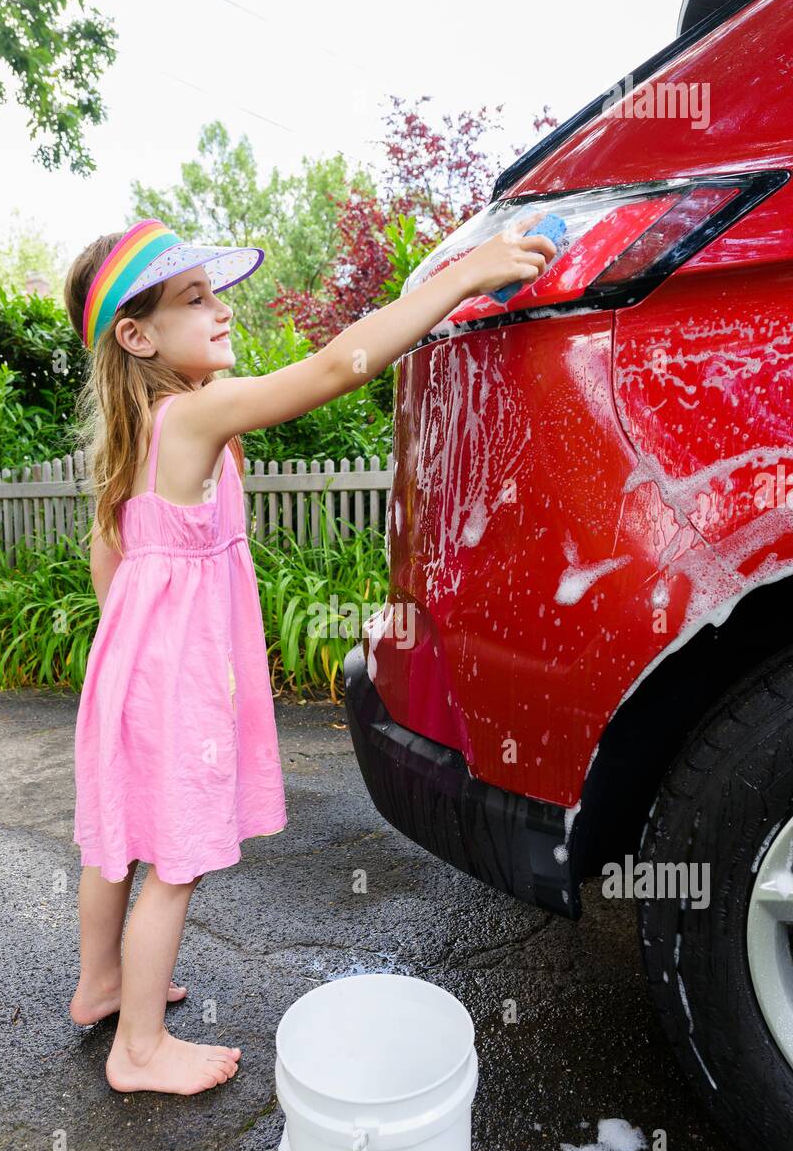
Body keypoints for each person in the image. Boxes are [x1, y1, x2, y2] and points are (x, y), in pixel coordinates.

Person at [62, 212, 555, 1096]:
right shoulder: (197, 414)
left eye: (217, 293)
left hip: (128, 676)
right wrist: (458, 279)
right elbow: (337, 366)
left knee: (120, 845)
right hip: (170, 684)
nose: (221, 312)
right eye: (194, 298)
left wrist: (137, 664)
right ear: (137, 336)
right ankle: (137, 1048)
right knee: (177, 860)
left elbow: (111, 562)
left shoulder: (133, 437)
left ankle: (101, 983)